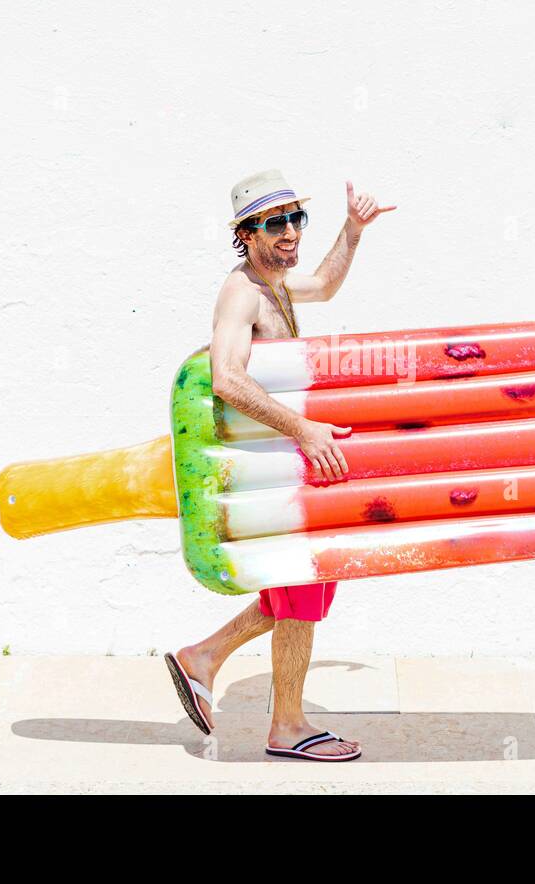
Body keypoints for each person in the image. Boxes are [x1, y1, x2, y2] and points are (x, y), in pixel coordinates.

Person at [165, 168, 396, 762]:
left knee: (301, 588)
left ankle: (203, 657)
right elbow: (226, 378)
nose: (291, 231)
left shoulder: (278, 283)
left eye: (297, 218)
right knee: (302, 587)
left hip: (289, 467)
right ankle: (287, 726)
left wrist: (353, 229)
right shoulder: (242, 293)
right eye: (276, 223)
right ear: (246, 233)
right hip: (270, 472)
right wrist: (303, 429)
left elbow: (326, 284)